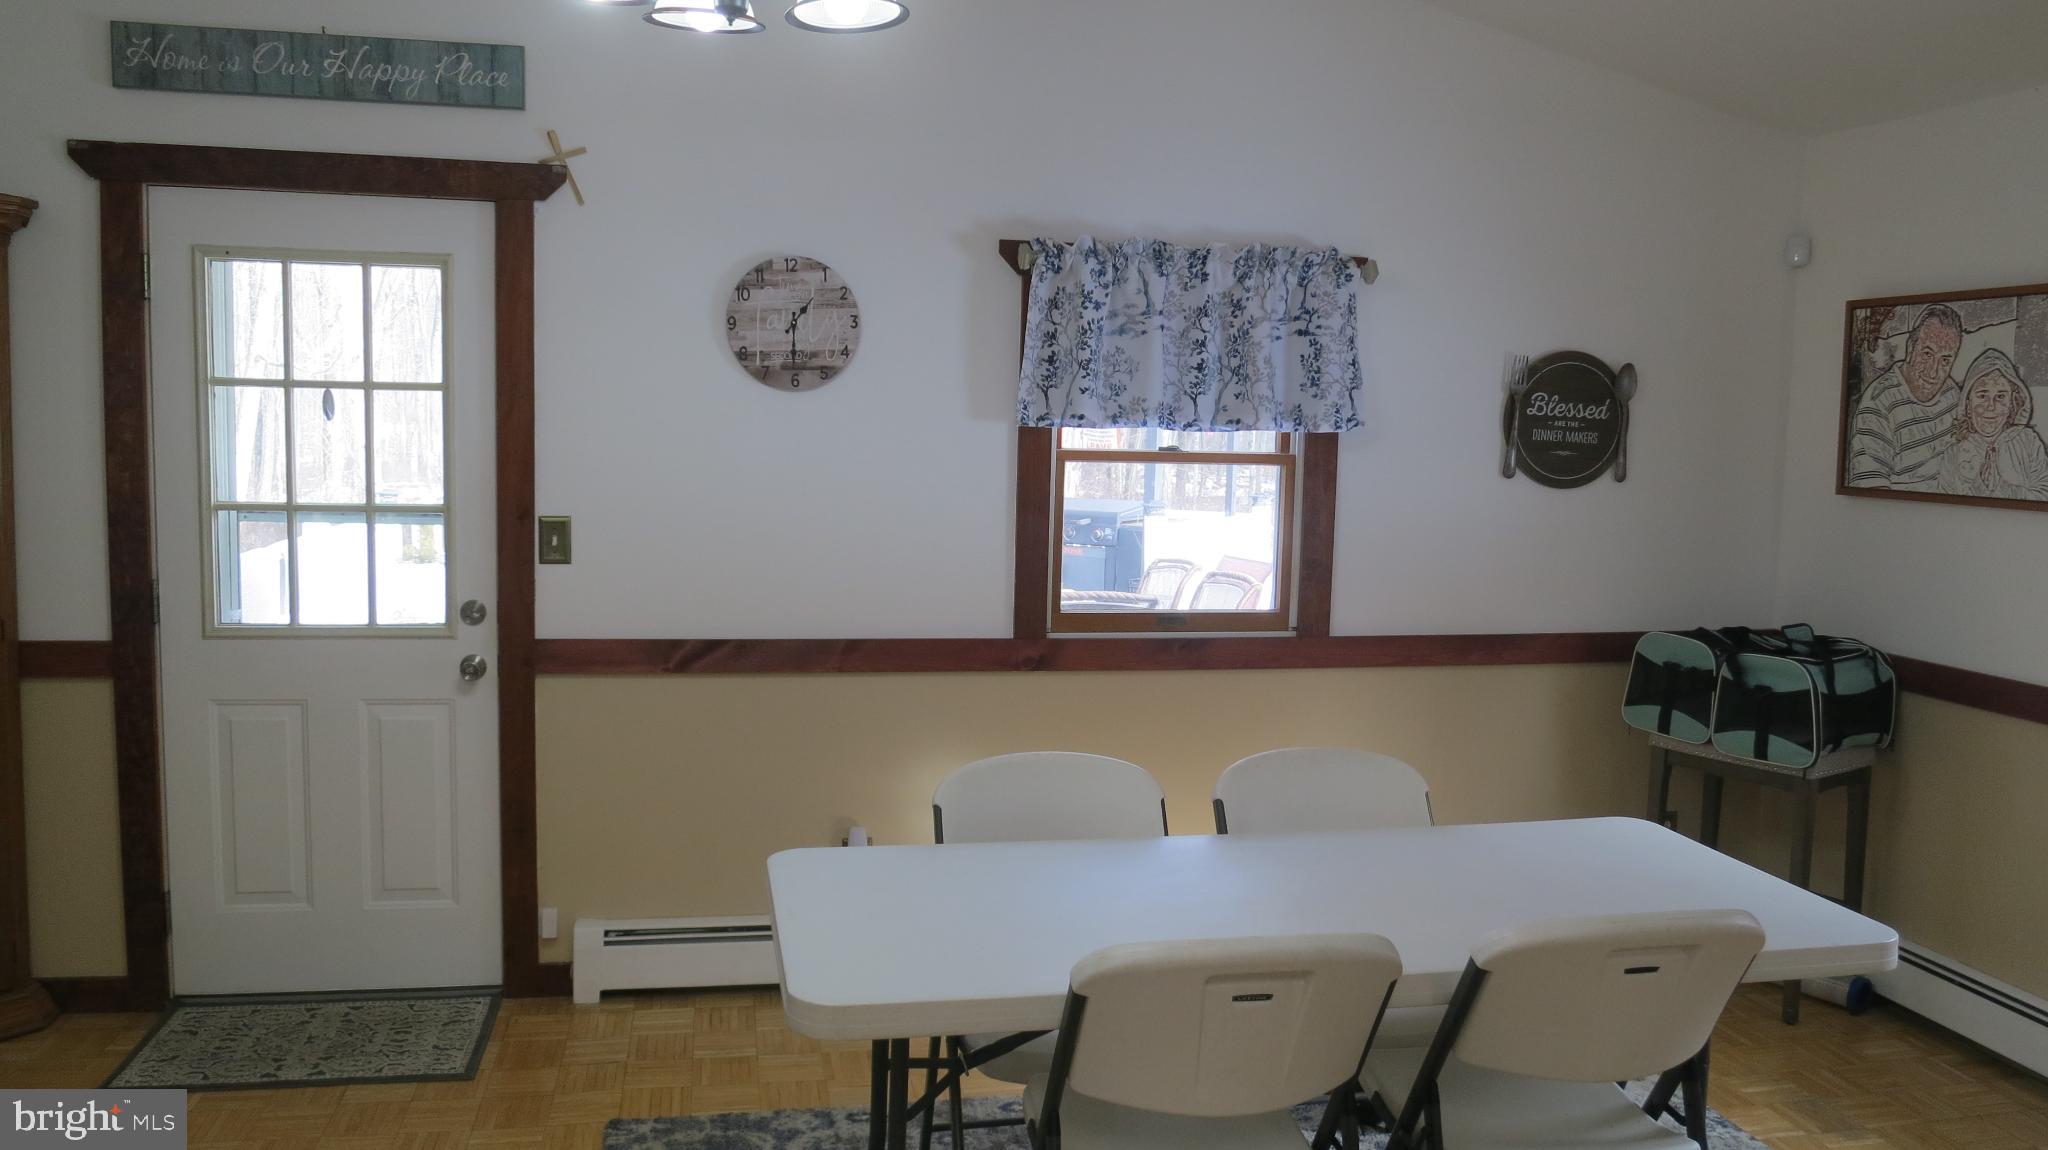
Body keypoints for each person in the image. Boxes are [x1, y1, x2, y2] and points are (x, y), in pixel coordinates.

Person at [1845, 304, 1963, 491]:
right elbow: (1870, 490)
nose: (1934, 372)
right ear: (1910, 348)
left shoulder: (1952, 394)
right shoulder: (1878, 403)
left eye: (1945, 360)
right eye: (1927, 354)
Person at [1935, 347, 2048, 501]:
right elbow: (1944, 506)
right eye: (1982, 395)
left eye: (2000, 396)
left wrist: (2003, 489)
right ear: (1968, 403)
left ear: (2012, 404)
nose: (1991, 406)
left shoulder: (2028, 443)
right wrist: (1977, 485)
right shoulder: (1953, 454)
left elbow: (2043, 495)